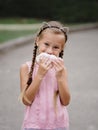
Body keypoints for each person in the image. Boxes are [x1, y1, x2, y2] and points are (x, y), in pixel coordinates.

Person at [19, 21, 71, 130]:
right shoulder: (26, 68)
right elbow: (26, 101)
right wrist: (39, 75)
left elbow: (65, 101)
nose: (49, 51)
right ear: (37, 41)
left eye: (56, 47)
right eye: (46, 44)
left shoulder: (62, 70)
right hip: (34, 125)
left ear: (62, 49)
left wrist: (60, 77)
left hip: (58, 125)